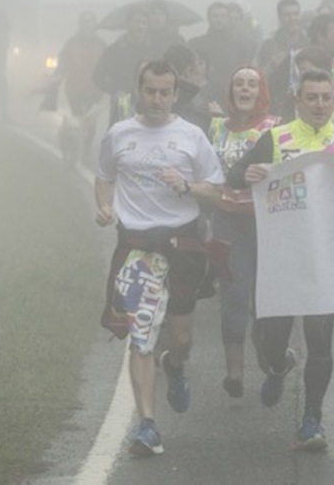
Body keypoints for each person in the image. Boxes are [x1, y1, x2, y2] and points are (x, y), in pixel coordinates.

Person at [227, 68, 334, 451]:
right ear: (297, 101)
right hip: (282, 259)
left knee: (320, 340)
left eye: (326, 98)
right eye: (311, 97)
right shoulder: (276, 138)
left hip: (327, 260)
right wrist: (248, 172)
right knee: (270, 342)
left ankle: (312, 420)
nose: (319, 105)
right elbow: (233, 175)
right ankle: (279, 365)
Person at [95, 60, 224, 457]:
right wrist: (104, 206)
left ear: (175, 95)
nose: (156, 99)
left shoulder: (191, 135)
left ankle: (176, 364)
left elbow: (216, 189)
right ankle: (148, 426)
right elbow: (104, 176)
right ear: (140, 91)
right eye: (150, 91)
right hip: (136, 246)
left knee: (181, 337)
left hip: (181, 245)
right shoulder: (119, 134)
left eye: (164, 92)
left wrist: (186, 185)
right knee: (140, 336)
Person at [208, 66, 280, 398]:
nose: (245, 89)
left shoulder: (276, 128)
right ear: (231, 91)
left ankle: (270, 358)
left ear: (262, 91)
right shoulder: (215, 128)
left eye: (253, 84)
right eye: (239, 83)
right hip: (228, 220)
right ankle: (234, 373)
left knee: (265, 301)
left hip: (268, 222)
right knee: (234, 293)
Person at [53, 11, 106, 165]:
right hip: (75, 88)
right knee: (76, 121)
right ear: (80, 24)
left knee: (90, 123)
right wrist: (58, 76)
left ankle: (86, 150)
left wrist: (108, 81)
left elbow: (108, 62)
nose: (87, 24)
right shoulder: (72, 42)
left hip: (94, 89)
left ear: (94, 24)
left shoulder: (101, 43)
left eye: (90, 21)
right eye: (85, 21)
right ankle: (72, 153)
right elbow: (62, 60)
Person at [93, 6, 154, 125]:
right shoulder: (115, 49)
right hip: (124, 99)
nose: (140, 26)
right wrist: (115, 91)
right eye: (137, 22)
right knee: (122, 131)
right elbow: (97, 76)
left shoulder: (152, 49)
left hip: (147, 99)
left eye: (144, 22)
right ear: (128, 24)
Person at [189, 2, 256, 107]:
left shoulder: (241, 45)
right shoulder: (197, 44)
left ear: (228, 18)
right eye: (215, 16)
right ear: (209, 18)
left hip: (230, 95)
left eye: (223, 16)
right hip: (203, 94)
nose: (219, 19)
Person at [256, 0, 307, 79]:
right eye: (287, 15)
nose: (292, 18)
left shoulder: (309, 43)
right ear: (280, 18)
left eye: (296, 14)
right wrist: (272, 65)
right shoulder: (268, 46)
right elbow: (256, 75)